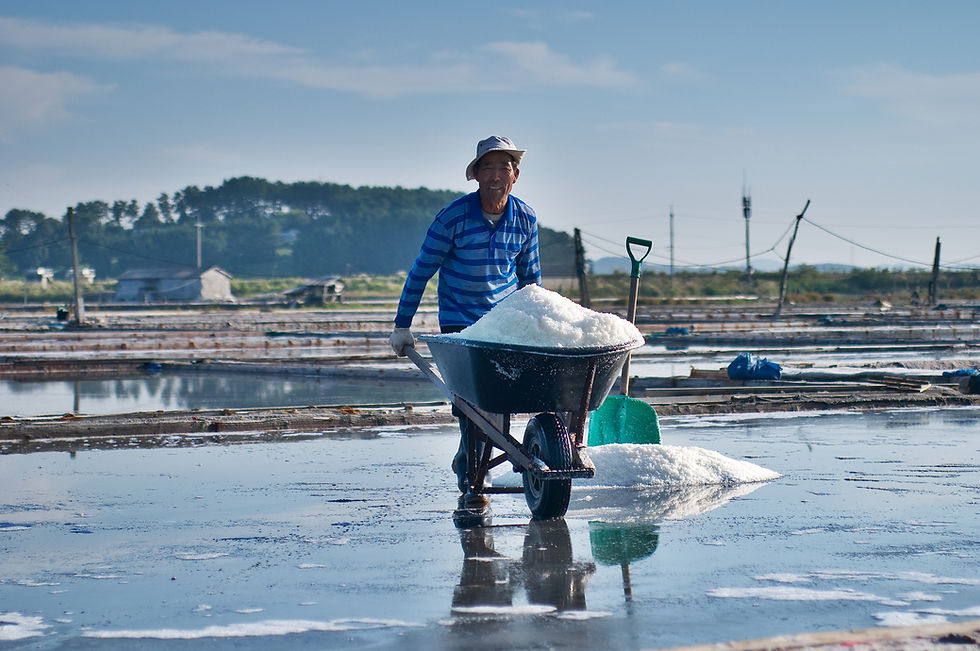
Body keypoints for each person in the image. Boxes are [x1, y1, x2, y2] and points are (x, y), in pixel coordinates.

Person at [389, 135, 541, 501]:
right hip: (461, 320)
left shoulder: (525, 219)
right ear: (476, 175)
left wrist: (539, 324)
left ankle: (471, 461)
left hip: (503, 321)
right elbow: (421, 271)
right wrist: (402, 325)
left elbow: (531, 279)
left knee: (499, 399)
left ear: (515, 175)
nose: (495, 175)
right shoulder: (453, 218)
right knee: (472, 399)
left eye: (503, 167)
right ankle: (473, 469)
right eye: (487, 167)